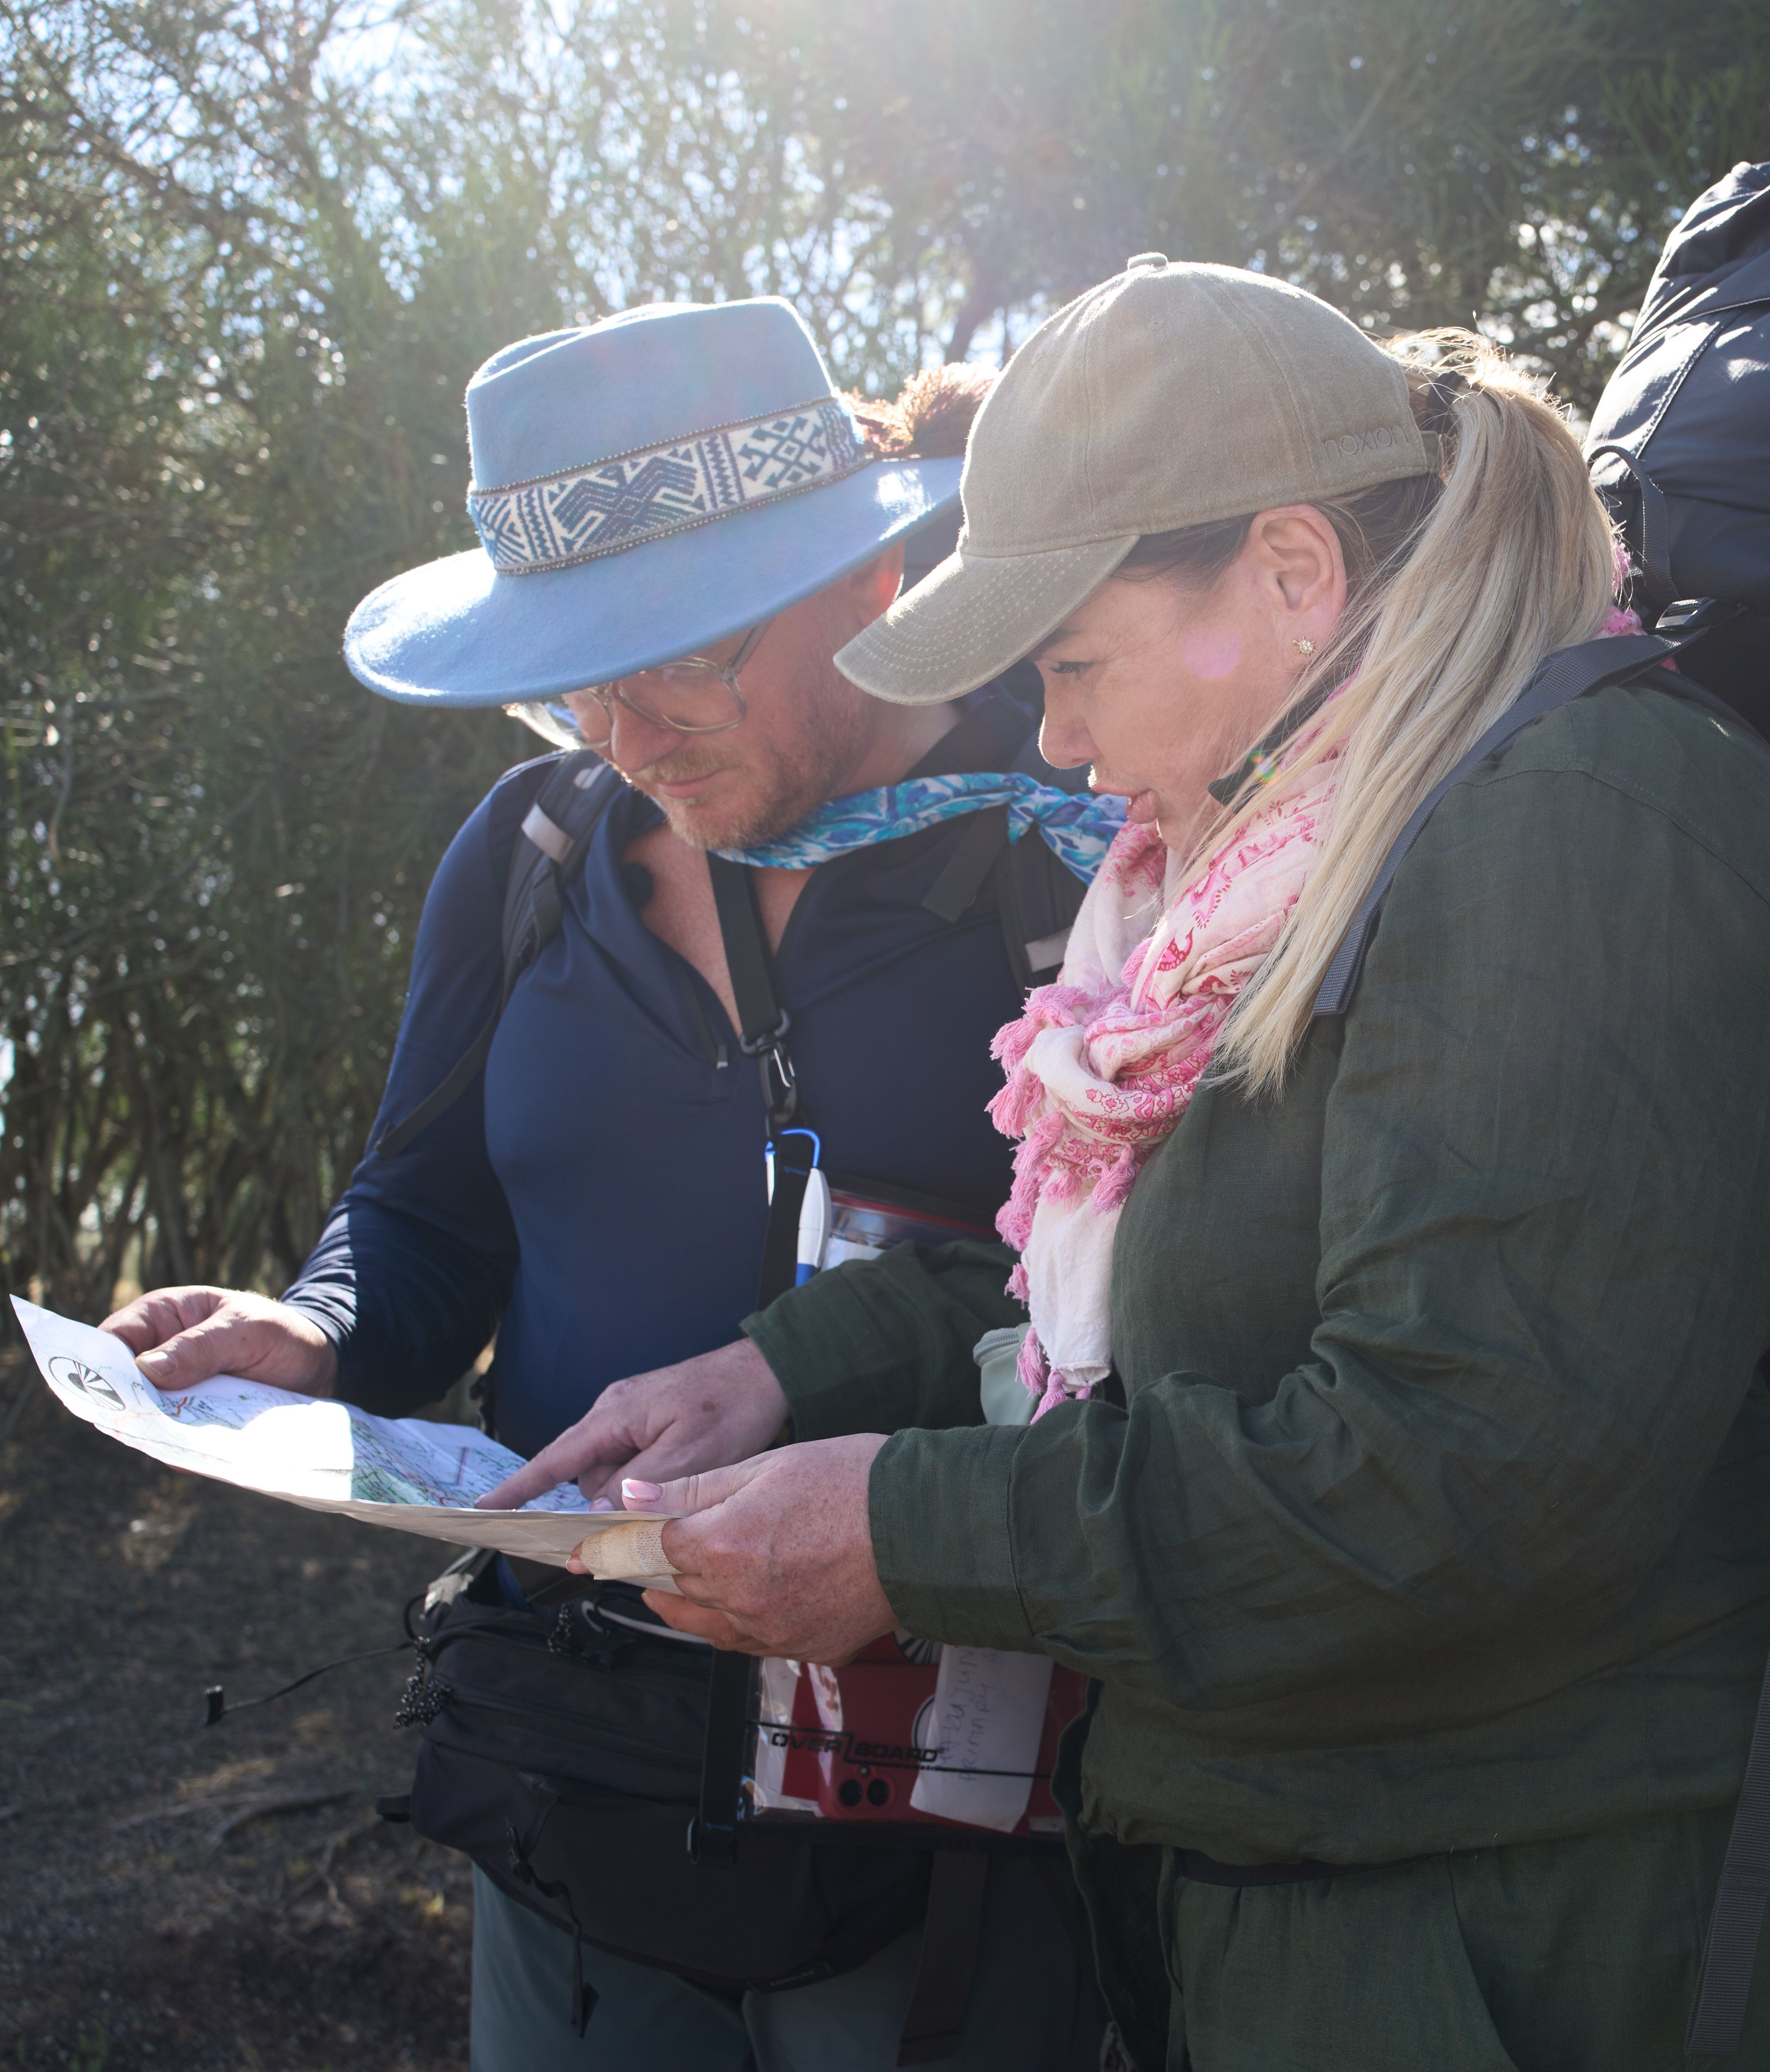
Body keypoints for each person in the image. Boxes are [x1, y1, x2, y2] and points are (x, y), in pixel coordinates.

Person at [506, 259, 1770, 2068]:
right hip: (1370, 1897)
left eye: (1074, 668)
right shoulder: (1292, 872)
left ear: (1294, 575)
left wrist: (909, 1529)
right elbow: (1195, 1301)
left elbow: (1457, 1475)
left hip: (1596, 1936)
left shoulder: (1586, 843)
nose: (1048, 742)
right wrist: (782, 1376)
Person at [105, 297, 1107, 2069]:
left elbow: (1156, 1315)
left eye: (690, 656)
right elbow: (420, 1217)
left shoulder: (1069, 847)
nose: (629, 731)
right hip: (581, 1767)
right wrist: (316, 1329)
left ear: (867, 582)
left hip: (942, 1788)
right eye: (579, 667)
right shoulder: (533, 851)